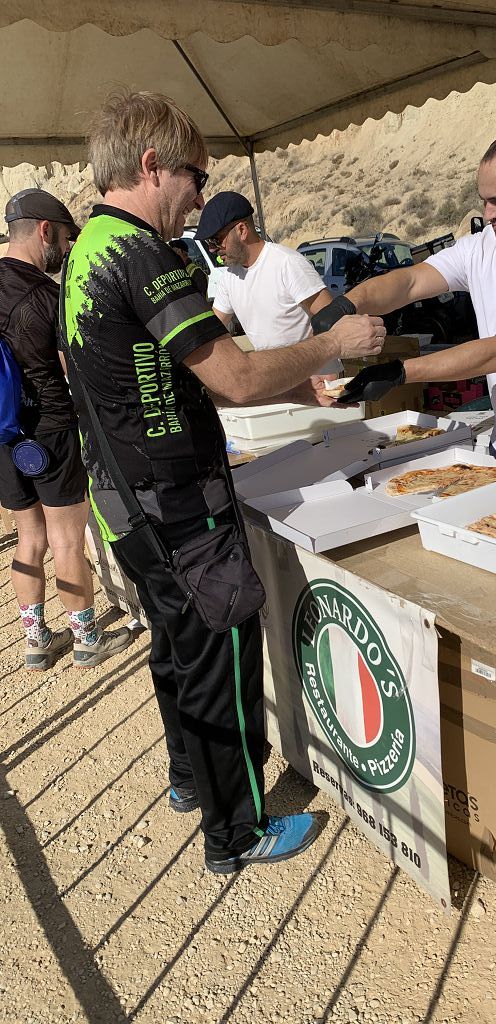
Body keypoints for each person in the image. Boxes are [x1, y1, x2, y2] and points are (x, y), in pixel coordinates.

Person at [59, 90, 384, 875]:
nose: (201, 196)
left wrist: (286, 382)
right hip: (178, 511)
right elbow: (233, 376)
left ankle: (186, 780)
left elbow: (189, 376)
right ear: (151, 166)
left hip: (125, 506)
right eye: (195, 175)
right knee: (221, 660)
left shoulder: (85, 249)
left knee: (175, 650)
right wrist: (328, 343)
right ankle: (234, 833)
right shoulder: (138, 254)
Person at [317, 129, 496, 469]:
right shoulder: (484, 246)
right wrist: (349, 303)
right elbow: (412, 281)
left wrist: (400, 373)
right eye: (484, 200)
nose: (488, 214)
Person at [0, 188, 133, 671]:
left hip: (2, 436)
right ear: (43, 231)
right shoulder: (48, 297)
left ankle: (35, 639)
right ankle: (85, 638)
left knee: (28, 537)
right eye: (63, 236)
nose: (65, 246)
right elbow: (72, 366)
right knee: (65, 541)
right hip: (52, 432)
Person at [195, 191, 341, 374]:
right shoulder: (229, 278)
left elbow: (333, 321)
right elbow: (213, 332)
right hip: (275, 383)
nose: (211, 249)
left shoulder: (287, 263)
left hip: (316, 381)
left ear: (242, 230)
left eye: (215, 240)